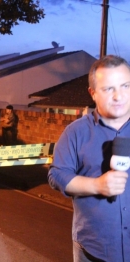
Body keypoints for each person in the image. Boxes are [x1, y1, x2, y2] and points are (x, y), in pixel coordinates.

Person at [48, 55, 130, 262]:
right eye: (108, 88)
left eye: (125, 86)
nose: (119, 96)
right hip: (92, 250)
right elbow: (57, 175)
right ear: (92, 93)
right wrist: (97, 185)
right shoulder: (75, 132)